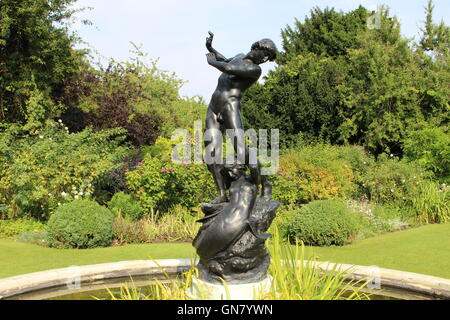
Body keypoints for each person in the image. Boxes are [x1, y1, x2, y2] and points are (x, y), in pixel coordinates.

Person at [204, 31, 277, 203]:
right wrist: (211, 48)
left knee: (242, 152)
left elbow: (227, 68)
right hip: (214, 108)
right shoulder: (238, 56)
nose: (265, 59)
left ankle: (266, 183)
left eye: (268, 58)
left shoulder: (255, 70)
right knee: (211, 152)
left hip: (230, 107)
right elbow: (225, 60)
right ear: (257, 47)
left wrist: (210, 60)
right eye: (265, 54)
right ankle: (222, 193)